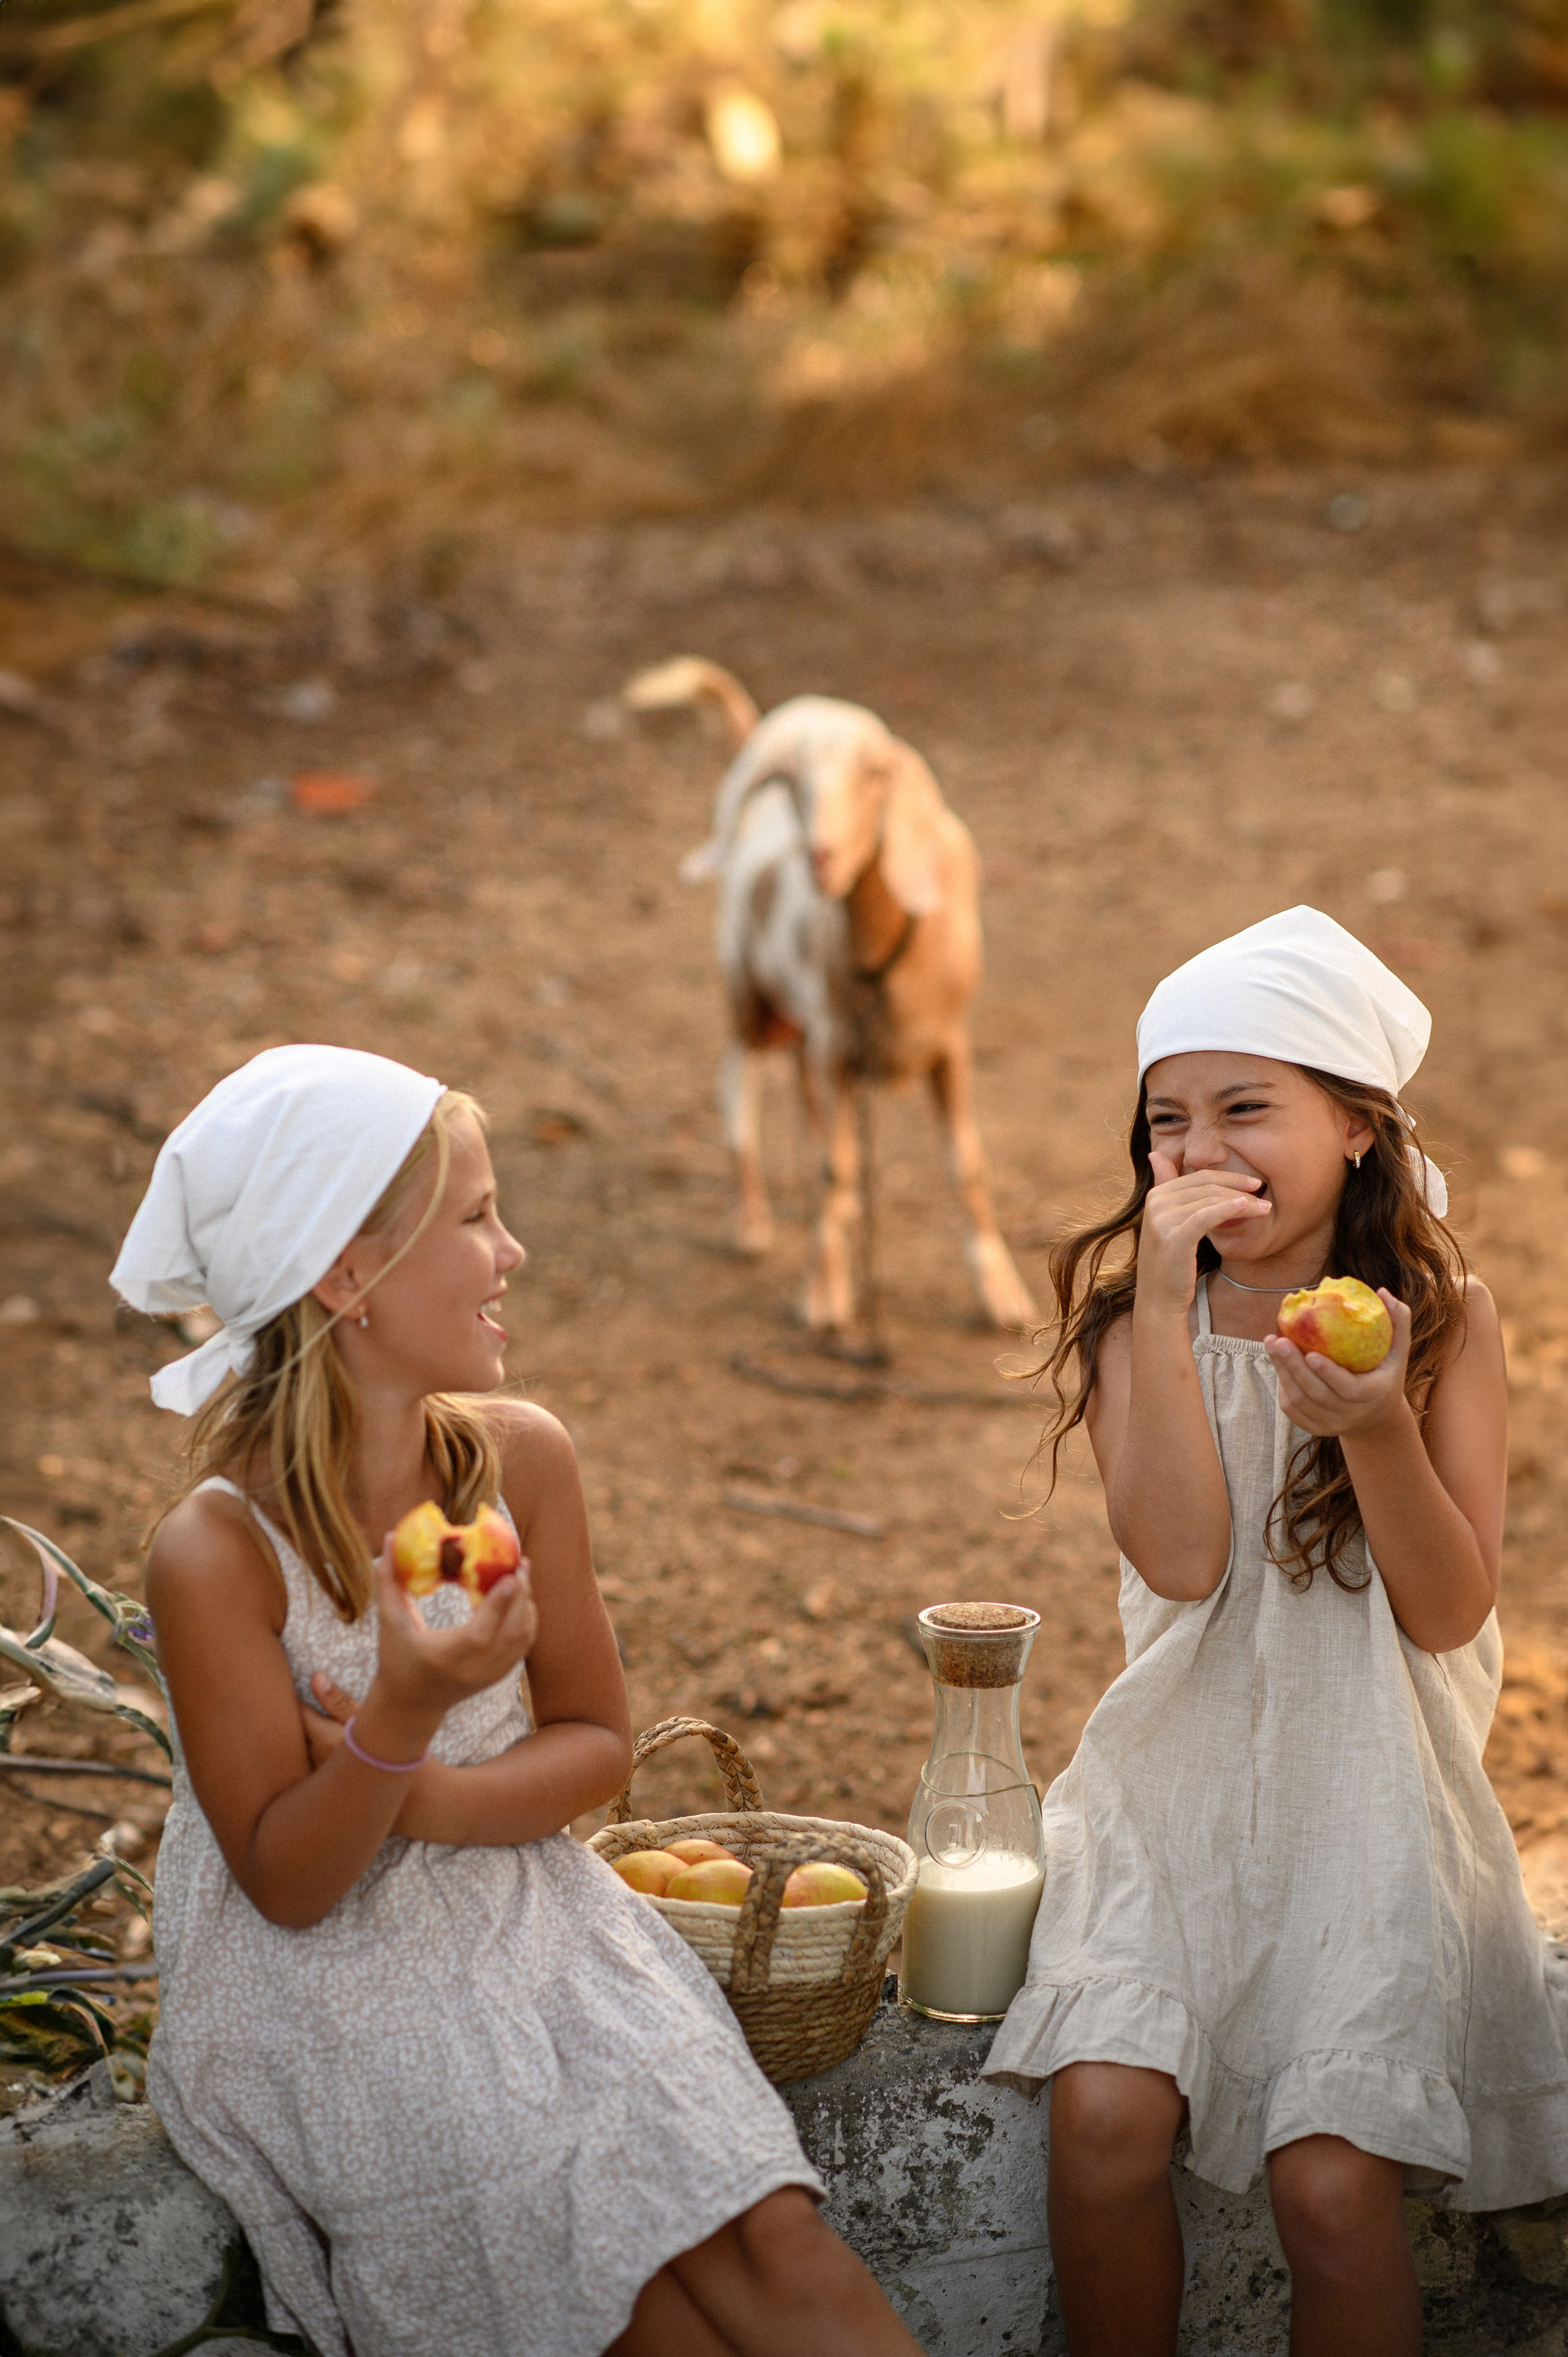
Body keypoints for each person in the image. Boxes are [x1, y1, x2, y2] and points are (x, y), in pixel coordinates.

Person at [114, 1044, 923, 2357]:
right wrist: (405, 1709)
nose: (515, 1251)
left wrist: (416, 1781)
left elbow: (595, 1745)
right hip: (325, 1980)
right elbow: (289, 1881)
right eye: (477, 1216)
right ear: (346, 1274)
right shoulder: (219, 1553)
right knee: (624, 2304)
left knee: (767, 2229)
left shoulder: (519, 1461)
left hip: (523, 1903)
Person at [985, 908, 1568, 2357]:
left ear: (1357, 1126)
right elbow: (1178, 1561)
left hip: (1365, 1797)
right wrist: (1172, 1307)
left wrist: (1372, 1432)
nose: (1198, 1150)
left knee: (1325, 2183)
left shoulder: (1439, 1320)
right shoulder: (1139, 1324)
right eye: (1165, 1121)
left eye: (1247, 1109)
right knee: (1104, 2117)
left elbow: (1446, 1607)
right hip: (1169, 1785)